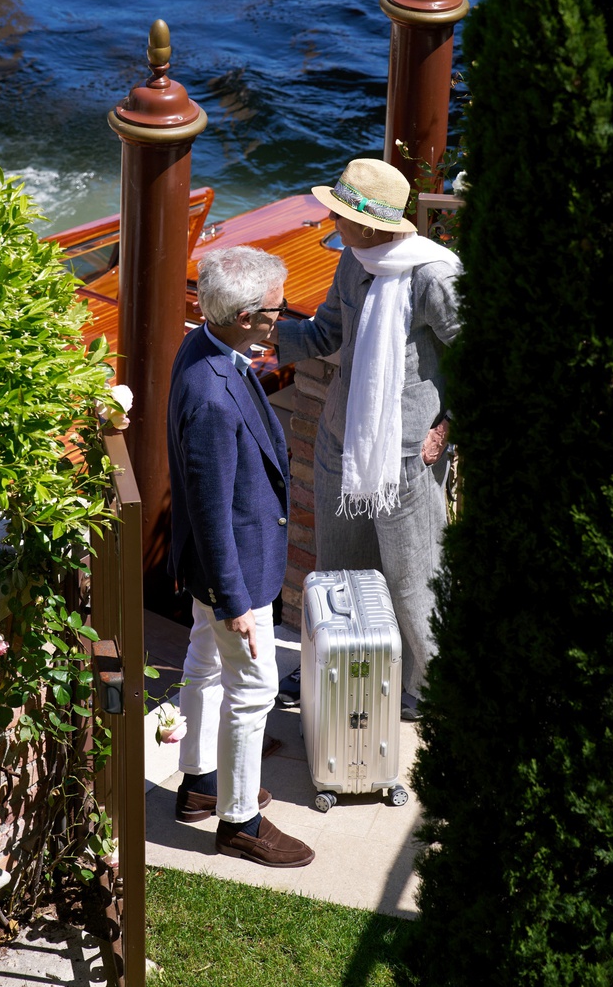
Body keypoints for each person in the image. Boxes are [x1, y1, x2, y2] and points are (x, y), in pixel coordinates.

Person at [277, 157, 461, 720]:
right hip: (342, 439)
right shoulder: (353, 261)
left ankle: (429, 690)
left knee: (412, 580)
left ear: (372, 223)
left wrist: (447, 430)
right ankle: (330, 664)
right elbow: (327, 332)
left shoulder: (434, 276)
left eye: (340, 214)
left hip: (407, 452)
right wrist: (258, 336)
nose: (331, 223)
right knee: (337, 571)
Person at [167, 245, 315, 868]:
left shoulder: (203, 350)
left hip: (212, 565)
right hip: (234, 569)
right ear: (245, 315)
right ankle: (240, 823)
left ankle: (199, 783)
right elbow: (208, 507)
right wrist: (235, 601)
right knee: (251, 693)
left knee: (203, 665)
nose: (284, 320)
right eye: (278, 312)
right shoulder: (214, 395)